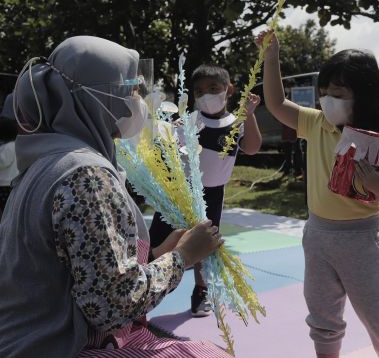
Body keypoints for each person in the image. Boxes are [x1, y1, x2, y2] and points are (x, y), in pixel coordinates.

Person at [0, 36, 231, 358]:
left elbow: (84, 269)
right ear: (96, 97)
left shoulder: (48, 161)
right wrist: (183, 257)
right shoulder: (86, 175)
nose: (138, 99)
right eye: (131, 88)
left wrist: (158, 255)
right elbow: (113, 307)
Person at [258, 32, 379, 358]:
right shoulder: (315, 123)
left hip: (362, 241)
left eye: (337, 93)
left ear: (364, 95)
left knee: (378, 314)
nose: (327, 100)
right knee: (322, 314)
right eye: (324, 92)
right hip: (317, 236)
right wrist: (271, 59)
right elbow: (275, 103)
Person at [148, 63, 262, 317]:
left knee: (206, 244)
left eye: (213, 88)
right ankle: (142, 285)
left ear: (229, 89)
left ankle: (201, 291)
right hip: (179, 193)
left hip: (212, 194)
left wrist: (250, 114)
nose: (206, 95)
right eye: (199, 91)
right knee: (159, 239)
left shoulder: (236, 123)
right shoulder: (188, 121)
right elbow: (167, 155)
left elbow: (252, 148)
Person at [0, 95, 19, 214]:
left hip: (4, 183)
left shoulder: (7, 147)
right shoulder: (17, 144)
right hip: (12, 181)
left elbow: (2, 162)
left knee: (4, 207)